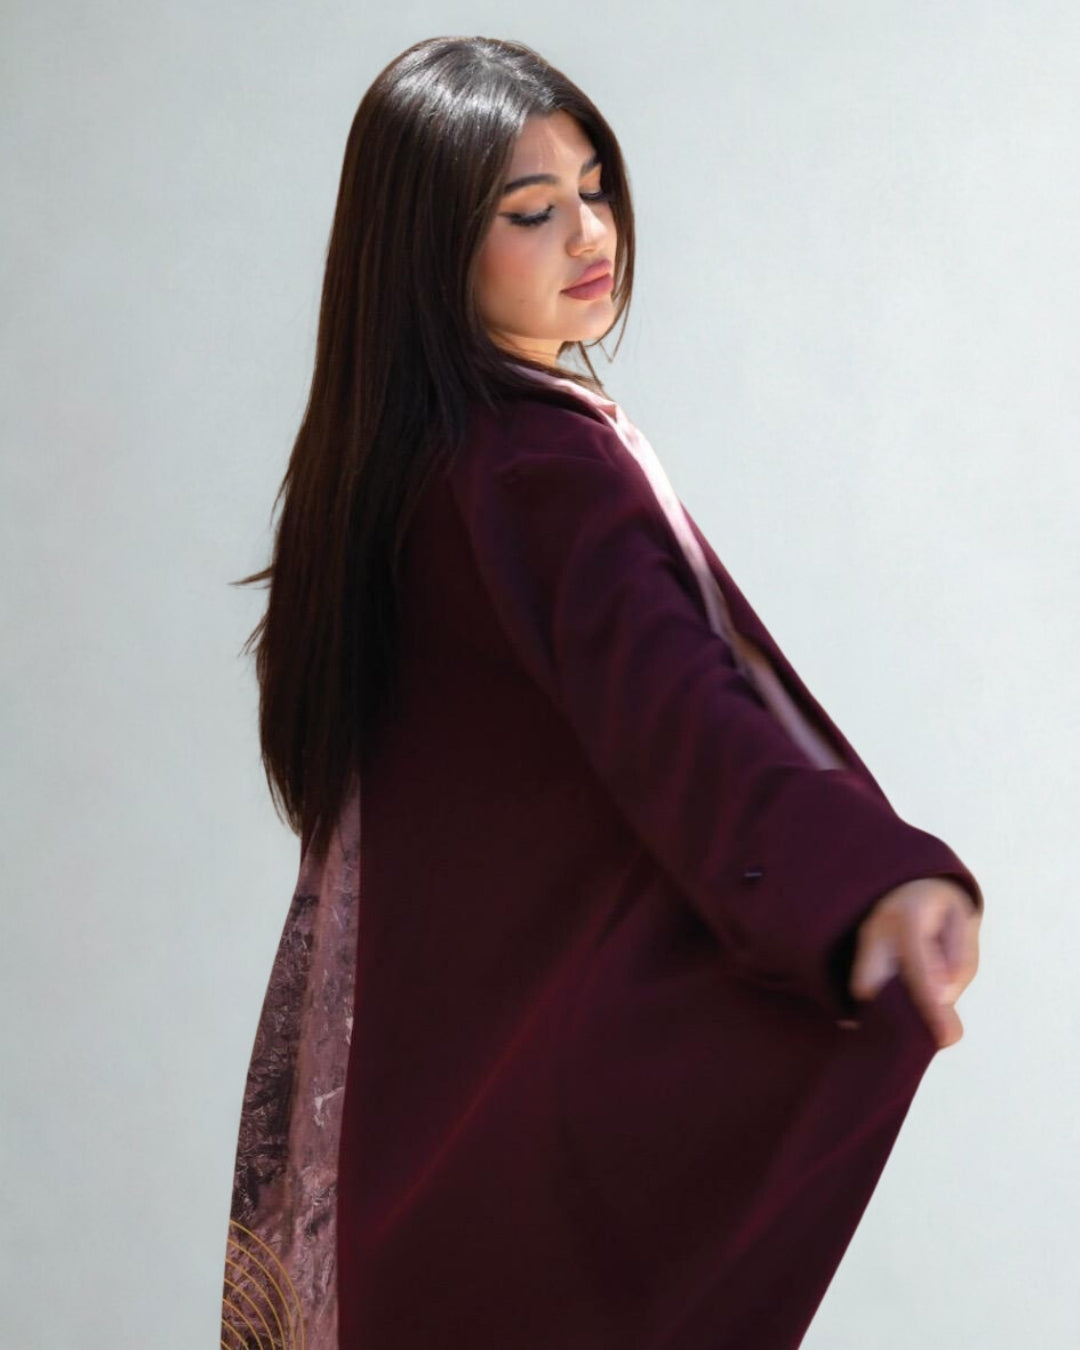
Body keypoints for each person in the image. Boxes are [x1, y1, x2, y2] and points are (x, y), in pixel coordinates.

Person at [219, 35, 983, 1350]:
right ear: (426, 250)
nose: (590, 230)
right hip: (520, 1208)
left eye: (595, 186)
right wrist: (858, 887)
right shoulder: (532, 473)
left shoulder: (395, 479)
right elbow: (684, 715)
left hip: (395, 1172)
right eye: (532, 209)